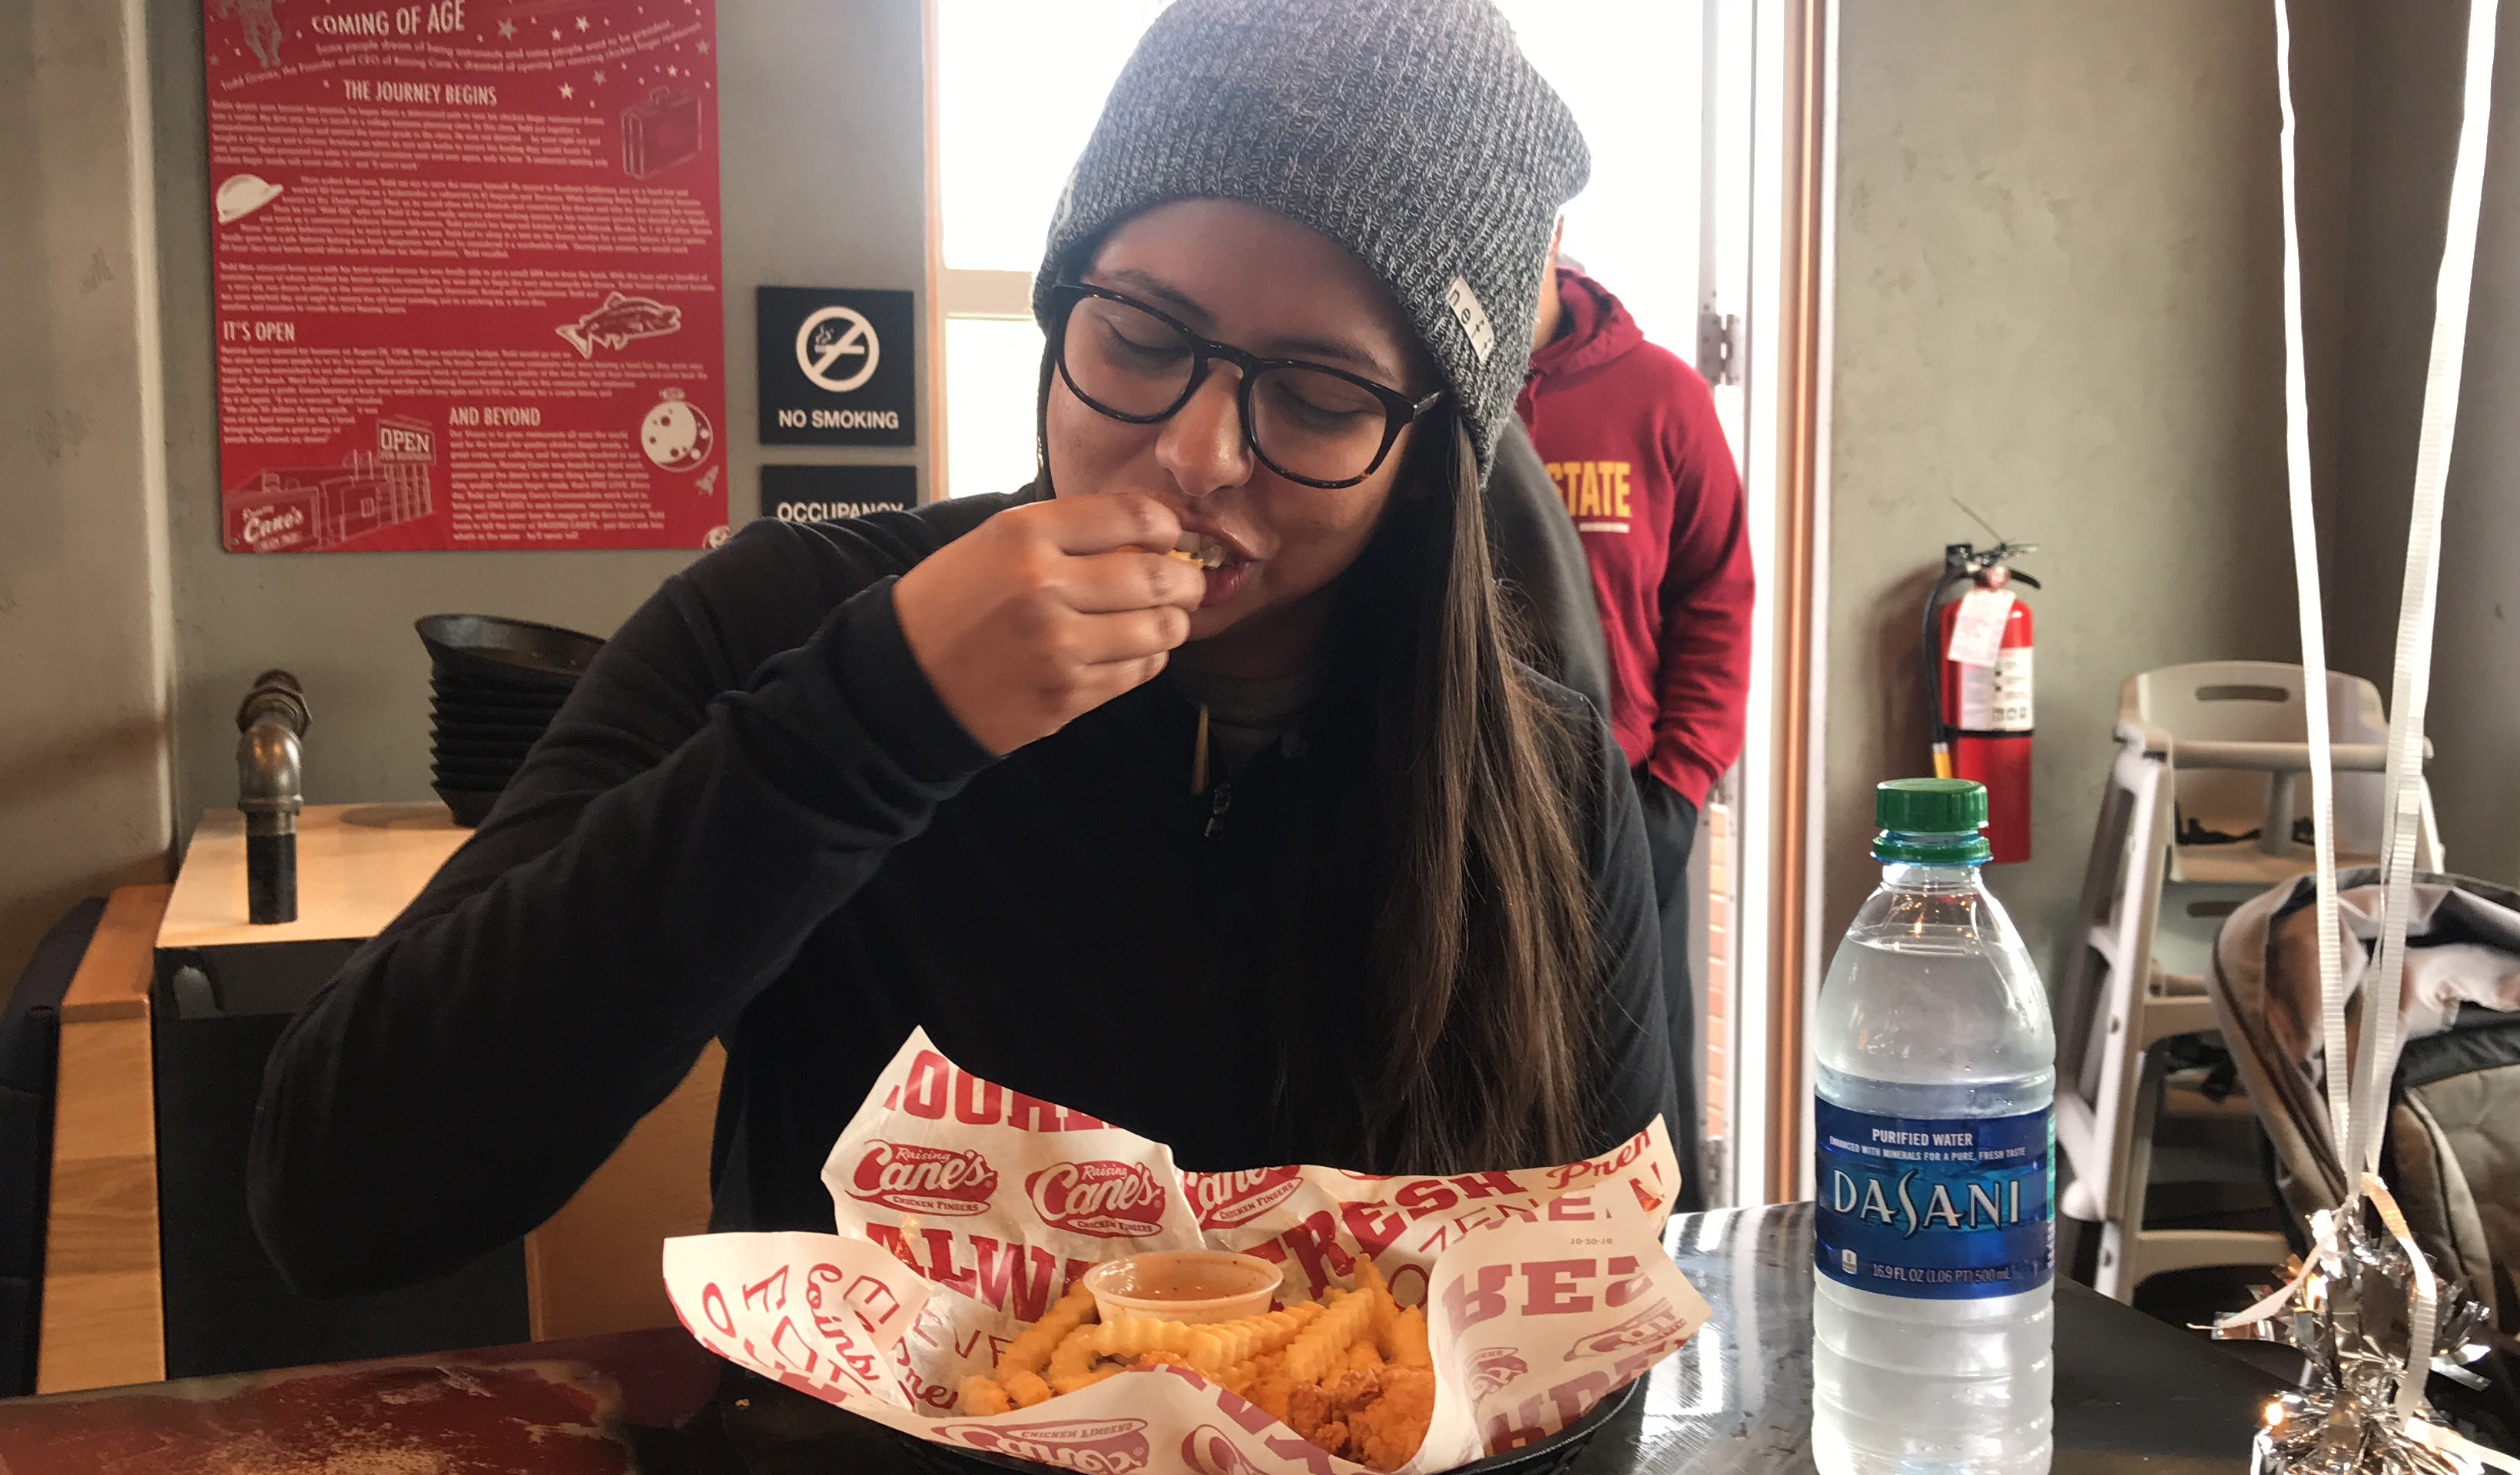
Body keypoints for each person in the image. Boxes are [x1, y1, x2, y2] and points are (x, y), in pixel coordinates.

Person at [248, 0, 1686, 1298]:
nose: (1195, 454)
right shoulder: (786, 619)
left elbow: (1593, 1311)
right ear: (1062, 312)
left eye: (1315, 396)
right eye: (1140, 336)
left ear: (1429, 462)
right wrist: (870, 723)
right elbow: (332, 1195)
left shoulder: (1543, 777)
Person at [1517, 243, 1756, 1203]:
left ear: (1552, 228)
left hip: (1628, 812)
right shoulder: (1421, 386)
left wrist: (1678, 789)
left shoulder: (1662, 398)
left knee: (1640, 1134)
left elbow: (1716, 602)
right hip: (1447, 807)